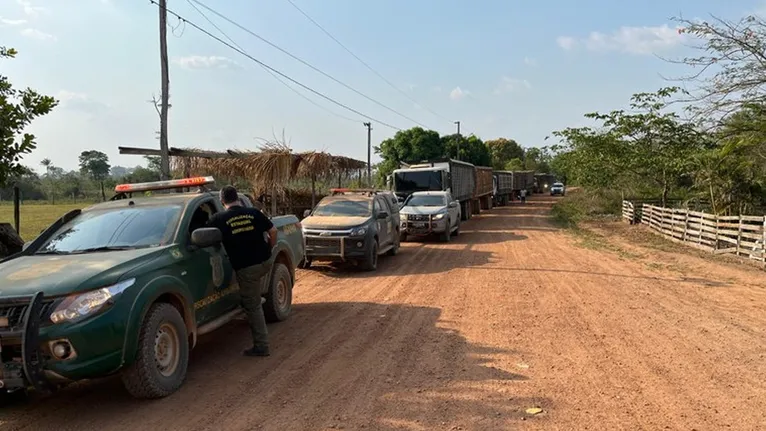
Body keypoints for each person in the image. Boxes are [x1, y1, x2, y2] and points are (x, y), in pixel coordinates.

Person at [207, 185, 277, 357]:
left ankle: (262, 346)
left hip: (247, 269)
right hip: (265, 261)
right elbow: (273, 230)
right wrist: (270, 246)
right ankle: (250, 297)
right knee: (251, 294)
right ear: (237, 198)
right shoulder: (253, 213)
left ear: (222, 200)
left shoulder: (219, 218)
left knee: (252, 306)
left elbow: (203, 233)